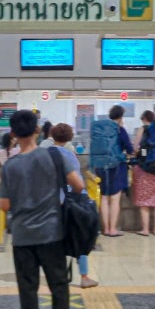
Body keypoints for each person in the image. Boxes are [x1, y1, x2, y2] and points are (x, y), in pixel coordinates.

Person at [0, 110, 84, 309]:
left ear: (13, 134)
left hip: (23, 236)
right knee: (59, 287)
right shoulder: (55, 156)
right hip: (52, 233)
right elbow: (78, 186)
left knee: (28, 290)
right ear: (38, 130)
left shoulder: (10, 165)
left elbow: (5, 205)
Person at [49, 122, 98, 288]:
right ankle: (84, 277)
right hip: (72, 200)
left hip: (53, 201)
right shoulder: (69, 155)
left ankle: (58, 275)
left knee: (58, 239)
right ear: (69, 137)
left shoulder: (45, 153)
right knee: (80, 235)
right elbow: (77, 182)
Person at [90, 105, 135, 237]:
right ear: (121, 117)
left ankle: (105, 229)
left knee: (104, 197)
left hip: (100, 165)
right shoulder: (119, 130)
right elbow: (130, 149)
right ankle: (112, 229)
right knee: (115, 198)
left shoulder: (99, 129)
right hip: (116, 166)